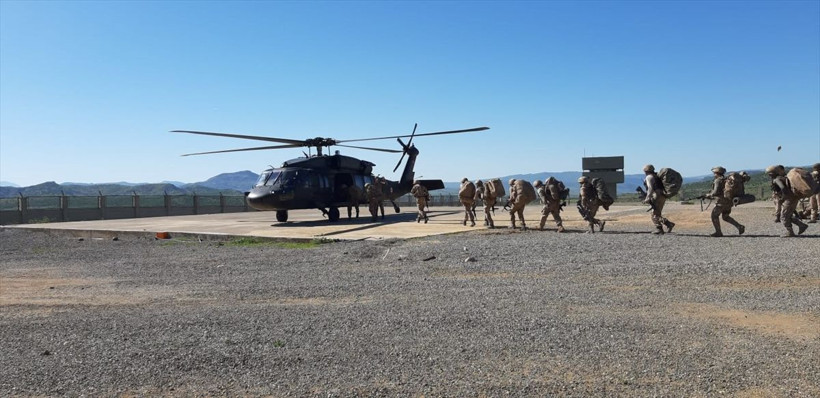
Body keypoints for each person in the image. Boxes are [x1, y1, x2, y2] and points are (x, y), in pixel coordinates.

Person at [766, 164, 808, 237]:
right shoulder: (783, 178)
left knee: (784, 216)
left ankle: (790, 232)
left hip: (789, 198)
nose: (769, 176)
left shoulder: (777, 179)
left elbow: (783, 188)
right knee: (788, 215)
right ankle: (801, 225)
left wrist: (783, 198)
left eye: (770, 174)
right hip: (793, 198)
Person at [704, 166, 745, 237]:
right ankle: (739, 226)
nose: (714, 174)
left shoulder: (717, 180)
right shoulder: (726, 179)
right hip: (729, 202)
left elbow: (716, 192)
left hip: (721, 203)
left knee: (714, 216)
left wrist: (708, 195)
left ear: (717, 173)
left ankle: (718, 232)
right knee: (725, 216)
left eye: (714, 173)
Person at [642, 164, 675, 234]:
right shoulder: (656, 176)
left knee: (654, 214)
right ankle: (667, 224)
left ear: (645, 171)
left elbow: (650, 188)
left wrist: (647, 198)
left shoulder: (649, 177)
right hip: (662, 195)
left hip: (656, 195)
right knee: (657, 213)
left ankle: (661, 228)